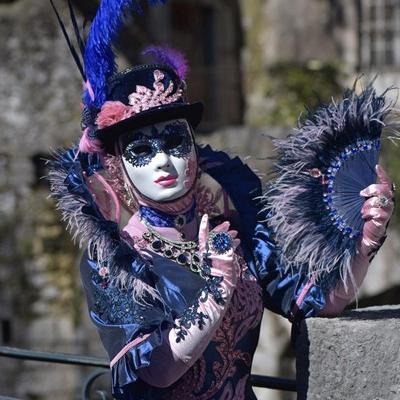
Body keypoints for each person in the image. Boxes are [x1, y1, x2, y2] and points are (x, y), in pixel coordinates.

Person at [48, 2, 395, 399]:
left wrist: (365, 240)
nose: (164, 160)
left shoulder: (234, 225)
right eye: (141, 150)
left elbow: (312, 302)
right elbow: (155, 369)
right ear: (118, 167)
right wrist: (216, 291)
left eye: (175, 141)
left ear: (195, 149)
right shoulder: (117, 260)